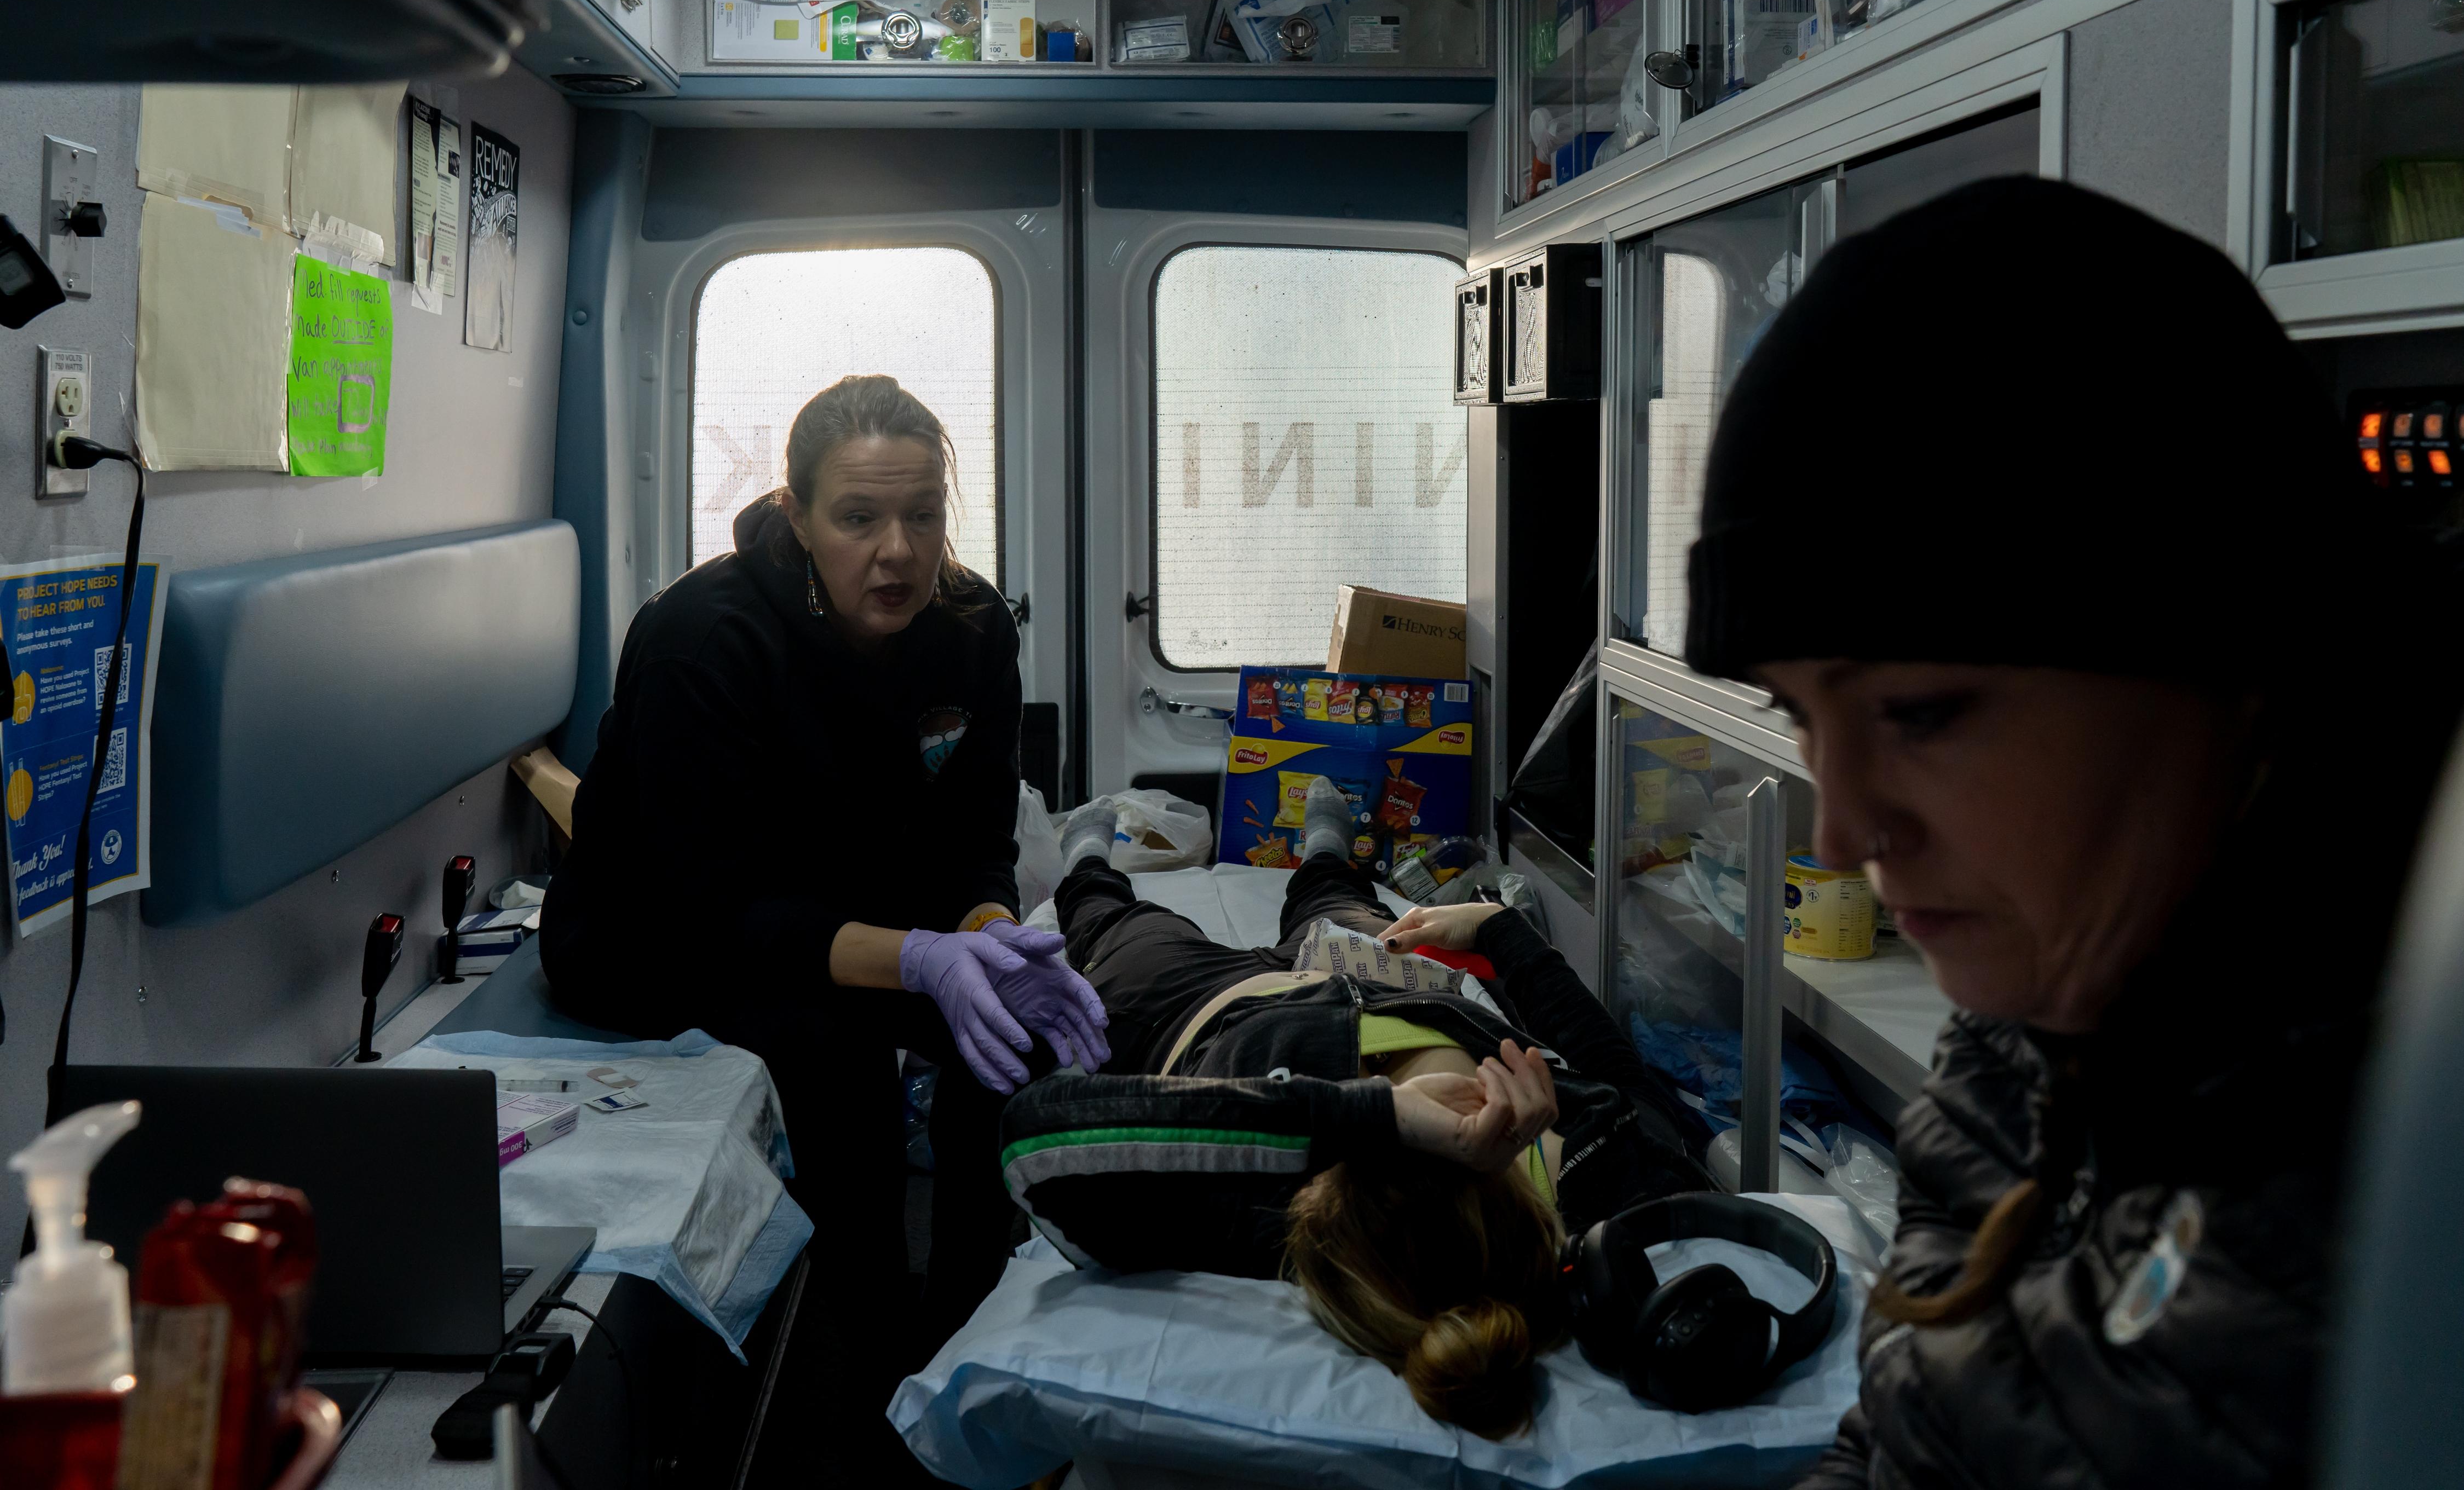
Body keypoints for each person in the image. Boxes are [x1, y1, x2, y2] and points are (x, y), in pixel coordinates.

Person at [1678, 177, 2464, 1488]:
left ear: (2228, 649)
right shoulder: (2023, 1046)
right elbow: (1909, 1438)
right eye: (1797, 716)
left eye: (1920, 712)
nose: (1845, 823)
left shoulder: (2407, 1179)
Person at [539, 373, 1106, 1353]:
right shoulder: (702, 642)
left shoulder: (972, 631)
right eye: (858, 518)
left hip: (850, 914)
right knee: (834, 1054)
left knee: (1011, 1043)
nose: (898, 552)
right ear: (796, 516)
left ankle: (968, 1331)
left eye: (923, 516)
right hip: (659, 934)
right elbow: (713, 907)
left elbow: (977, 835)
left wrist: (984, 932)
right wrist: (921, 960)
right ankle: (872, 1351)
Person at [998, 778, 1714, 1439]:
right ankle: (1326, 851)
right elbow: (1613, 1064)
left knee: (1108, 919)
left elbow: (1039, 1131)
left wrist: (1381, 1114)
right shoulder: (1610, 1168)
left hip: (1193, 1008)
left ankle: (1087, 853)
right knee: (1337, 901)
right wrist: (1497, 930)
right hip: (1390, 982)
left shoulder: (1268, 1218)